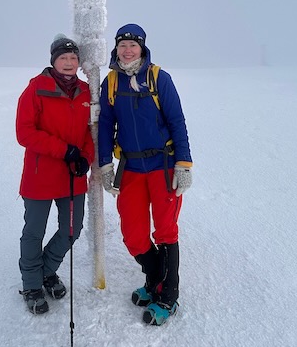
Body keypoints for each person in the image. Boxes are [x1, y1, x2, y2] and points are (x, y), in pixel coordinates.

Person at [98, 23, 193, 326]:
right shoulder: (111, 82)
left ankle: (168, 295)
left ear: (142, 48)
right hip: (131, 168)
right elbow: (104, 126)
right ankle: (155, 279)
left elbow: (177, 121)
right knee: (134, 235)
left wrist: (184, 164)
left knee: (165, 231)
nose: (127, 51)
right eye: (122, 45)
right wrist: (105, 164)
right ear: (116, 49)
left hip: (163, 166)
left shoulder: (158, 78)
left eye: (133, 45)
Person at [16, 34, 94, 315]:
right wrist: (65, 151)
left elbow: (91, 132)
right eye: (64, 58)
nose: (69, 62)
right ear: (54, 61)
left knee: (72, 230)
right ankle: (32, 285)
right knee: (34, 232)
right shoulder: (36, 89)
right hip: (40, 176)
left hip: (72, 176)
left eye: (73, 58)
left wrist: (85, 157)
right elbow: (25, 133)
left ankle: (46, 271)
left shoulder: (86, 92)